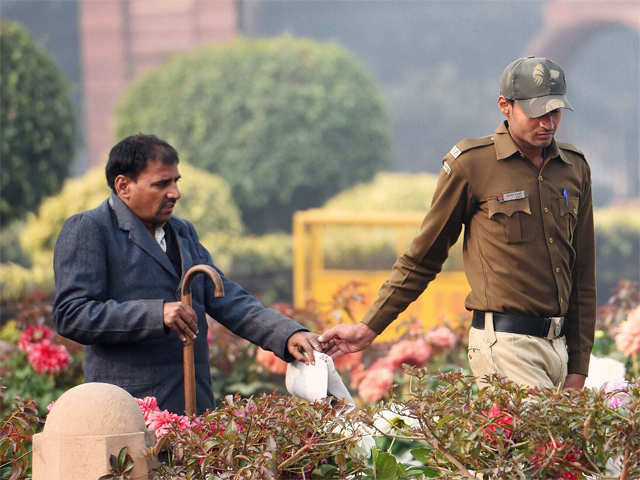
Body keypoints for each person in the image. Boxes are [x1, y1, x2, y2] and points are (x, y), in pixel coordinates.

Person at [319, 56, 596, 391]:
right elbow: (423, 257)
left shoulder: (574, 167)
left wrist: (578, 367)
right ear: (504, 106)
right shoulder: (472, 165)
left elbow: (582, 273)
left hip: (559, 348)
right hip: (507, 346)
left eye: (555, 112)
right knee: (540, 444)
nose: (548, 123)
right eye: (536, 112)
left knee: (551, 445)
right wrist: (369, 327)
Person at [53, 134, 321, 414]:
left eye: (176, 181)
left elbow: (227, 299)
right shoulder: (89, 229)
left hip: (193, 407)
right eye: (161, 184)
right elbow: (72, 315)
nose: (175, 193)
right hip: (128, 415)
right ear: (123, 186)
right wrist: (156, 314)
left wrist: (287, 333)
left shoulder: (181, 231)